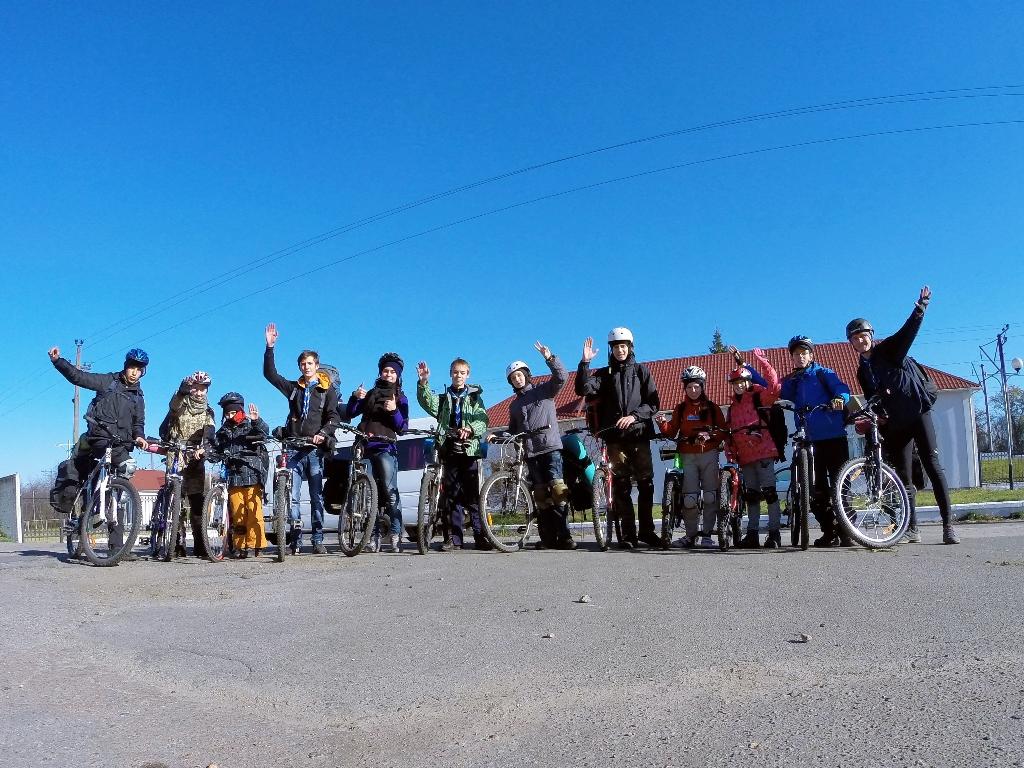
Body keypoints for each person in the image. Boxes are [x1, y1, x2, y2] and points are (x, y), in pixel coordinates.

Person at [846, 285, 960, 545]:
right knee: (903, 476)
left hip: (918, 413)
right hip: (896, 424)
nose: (861, 340)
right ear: (851, 343)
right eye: (855, 337)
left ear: (871, 336)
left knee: (932, 465)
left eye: (864, 335)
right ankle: (912, 528)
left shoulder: (889, 350)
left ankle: (948, 526)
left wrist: (920, 307)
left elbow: (908, 332)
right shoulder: (862, 371)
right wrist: (871, 415)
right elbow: (873, 399)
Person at [48, 347, 150, 534]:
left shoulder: (139, 397)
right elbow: (79, 377)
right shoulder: (107, 382)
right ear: (126, 366)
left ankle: (117, 549)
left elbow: (138, 424)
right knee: (97, 476)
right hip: (100, 437)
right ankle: (89, 510)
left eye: (139, 369)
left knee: (120, 487)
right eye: (132, 368)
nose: (135, 372)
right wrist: (58, 361)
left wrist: (140, 436)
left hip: (121, 444)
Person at [575, 328, 660, 549]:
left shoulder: (642, 371)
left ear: (630, 347)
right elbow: (582, 388)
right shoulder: (604, 374)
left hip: (639, 434)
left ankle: (647, 532)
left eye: (623, 346)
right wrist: (584, 363)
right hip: (614, 438)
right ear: (611, 350)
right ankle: (628, 535)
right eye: (616, 347)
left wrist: (633, 417)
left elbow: (653, 404)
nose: (620, 350)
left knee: (645, 485)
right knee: (621, 486)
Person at [263, 323, 340, 555]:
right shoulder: (294, 388)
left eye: (310, 363)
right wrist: (270, 347)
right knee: (293, 497)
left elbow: (333, 417)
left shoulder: (327, 391)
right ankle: (295, 540)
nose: (306, 367)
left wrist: (323, 434)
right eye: (303, 364)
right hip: (294, 447)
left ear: (317, 366)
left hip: (314, 450)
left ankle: (317, 539)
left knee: (316, 496)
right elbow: (270, 375)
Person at [779, 335, 852, 548]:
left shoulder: (822, 373)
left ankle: (846, 529)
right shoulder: (793, 379)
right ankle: (829, 531)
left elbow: (842, 388)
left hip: (833, 436)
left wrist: (840, 399)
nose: (800, 357)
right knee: (815, 488)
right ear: (792, 357)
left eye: (804, 353)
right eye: (796, 354)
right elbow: (774, 388)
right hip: (809, 440)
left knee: (841, 485)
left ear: (811, 355)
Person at [505, 341, 575, 550]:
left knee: (558, 491)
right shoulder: (514, 405)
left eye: (520, 375)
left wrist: (550, 357)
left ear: (527, 375)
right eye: (513, 378)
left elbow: (562, 377)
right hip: (531, 453)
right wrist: (497, 436)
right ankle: (548, 539)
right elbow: (513, 429)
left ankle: (565, 537)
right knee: (542, 496)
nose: (517, 379)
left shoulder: (544, 391)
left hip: (550, 447)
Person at [416, 357, 491, 551]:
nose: (458, 375)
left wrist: (471, 428)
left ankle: (480, 536)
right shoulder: (443, 398)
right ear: (450, 374)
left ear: (467, 375)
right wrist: (424, 382)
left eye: (462, 372)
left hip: (469, 450)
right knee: (451, 496)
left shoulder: (475, 397)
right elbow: (426, 402)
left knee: (474, 497)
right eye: (455, 372)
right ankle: (454, 539)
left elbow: (483, 419)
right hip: (449, 448)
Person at [346, 352, 410, 554]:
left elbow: (403, 428)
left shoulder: (401, 397)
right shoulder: (372, 393)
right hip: (365, 446)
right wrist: (355, 398)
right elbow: (350, 413)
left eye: (392, 372)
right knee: (366, 497)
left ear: (398, 375)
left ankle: (395, 535)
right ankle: (371, 537)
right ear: (380, 373)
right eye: (385, 371)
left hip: (386, 447)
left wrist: (393, 410)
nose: (388, 374)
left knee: (391, 495)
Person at [657, 365, 725, 549]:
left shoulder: (712, 408)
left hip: (709, 454)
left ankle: (707, 535)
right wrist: (662, 424)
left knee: (711, 496)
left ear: (703, 386)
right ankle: (690, 535)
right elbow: (671, 431)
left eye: (697, 386)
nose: (693, 390)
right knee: (689, 498)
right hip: (687, 455)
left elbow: (723, 431)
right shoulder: (680, 409)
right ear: (685, 388)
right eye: (689, 387)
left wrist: (709, 436)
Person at [724, 348, 783, 549]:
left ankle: (774, 534)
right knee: (751, 496)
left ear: (749, 382)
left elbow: (774, 386)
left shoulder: (759, 397)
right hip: (746, 458)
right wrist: (730, 452)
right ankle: (752, 534)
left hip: (764, 452)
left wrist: (763, 362)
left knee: (770, 493)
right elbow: (729, 432)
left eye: (742, 382)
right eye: (736, 383)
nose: (739, 386)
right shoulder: (732, 407)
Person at [160, 371, 216, 558]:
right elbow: (173, 407)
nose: (199, 393)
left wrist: (204, 448)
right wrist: (182, 392)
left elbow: (209, 433)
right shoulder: (181, 403)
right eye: (196, 389)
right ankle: (176, 543)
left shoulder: (208, 411)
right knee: (176, 500)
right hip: (176, 453)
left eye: (203, 390)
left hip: (195, 458)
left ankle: (201, 545)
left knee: (197, 502)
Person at [209, 392, 270, 558]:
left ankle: (256, 544)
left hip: (252, 473)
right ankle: (240, 545)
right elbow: (216, 449)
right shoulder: (223, 431)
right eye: (227, 413)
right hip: (234, 476)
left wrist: (257, 420)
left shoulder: (250, 424)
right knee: (238, 513)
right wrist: (208, 453)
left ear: (240, 410)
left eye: (233, 412)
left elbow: (264, 433)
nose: (230, 416)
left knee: (253, 511)